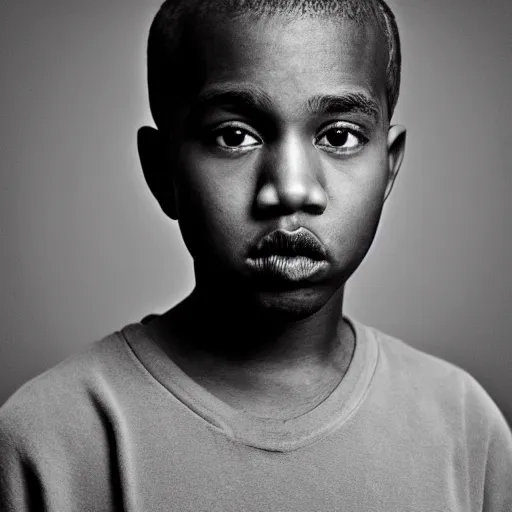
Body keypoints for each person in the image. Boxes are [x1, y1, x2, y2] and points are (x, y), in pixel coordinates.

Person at [0, 0, 511, 510]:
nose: (291, 189)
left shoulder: (463, 425)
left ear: (389, 169)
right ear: (162, 173)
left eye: (340, 136)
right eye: (235, 136)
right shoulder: (50, 436)